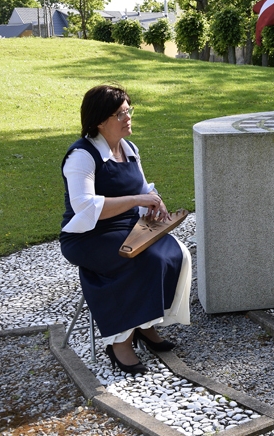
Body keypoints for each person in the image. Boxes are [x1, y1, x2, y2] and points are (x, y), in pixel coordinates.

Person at [60, 84, 191, 375]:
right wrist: (138, 200)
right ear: (99, 121)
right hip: (87, 235)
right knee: (141, 259)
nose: (128, 117)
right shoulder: (81, 156)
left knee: (174, 253)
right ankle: (120, 340)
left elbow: (142, 189)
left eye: (128, 110)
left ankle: (146, 324)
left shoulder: (129, 148)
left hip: (126, 226)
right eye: (120, 113)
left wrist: (154, 203)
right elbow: (83, 206)